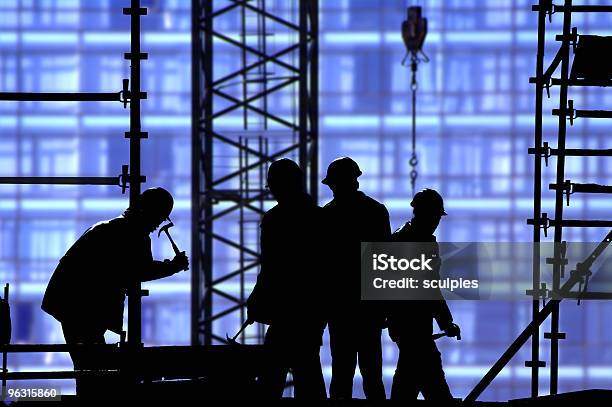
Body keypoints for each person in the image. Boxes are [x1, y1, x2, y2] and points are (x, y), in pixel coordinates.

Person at [41, 187, 189, 394]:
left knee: (90, 366)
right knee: (92, 367)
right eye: (158, 217)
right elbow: (139, 270)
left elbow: (133, 268)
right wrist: (171, 267)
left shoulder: (114, 228)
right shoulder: (131, 234)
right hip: (82, 307)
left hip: (74, 305)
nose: (157, 225)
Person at [246, 158, 327, 400]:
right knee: (308, 367)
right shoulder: (321, 217)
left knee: (273, 371)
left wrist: (257, 300)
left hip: (285, 308)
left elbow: (271, 267)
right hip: (313, 307)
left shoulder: (275, 219)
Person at [321, 157, 390, 400]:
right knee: (371, 374)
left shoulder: (326, 216)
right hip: (366, 306)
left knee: (342, 373)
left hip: (340, 306)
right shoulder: (375, 211)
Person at [387, 188, 460, 401]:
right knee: (429, 374)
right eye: (435, 215)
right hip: (411, 322)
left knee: (410, 376)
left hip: (407, 322)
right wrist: (446, 323)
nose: (437, 220)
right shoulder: (413, 242)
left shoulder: (406, 239)